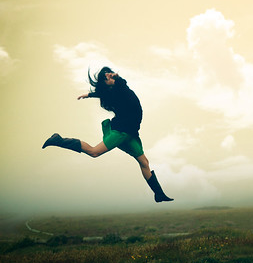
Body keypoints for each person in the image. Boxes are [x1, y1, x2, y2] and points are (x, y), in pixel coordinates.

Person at [42, 66, 173, 203]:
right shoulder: (119, 88)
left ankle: (159, 194)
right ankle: (59, 140)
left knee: (144, 162)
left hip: (131, 134)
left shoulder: (117, 91)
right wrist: (115, 78)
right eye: (106, 77)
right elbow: (116, 86)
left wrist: (89, 95)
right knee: (94, 152)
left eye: (109, 75)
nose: (109, 77)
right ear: (105, 82)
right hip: (120, 132)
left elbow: (105, 91)